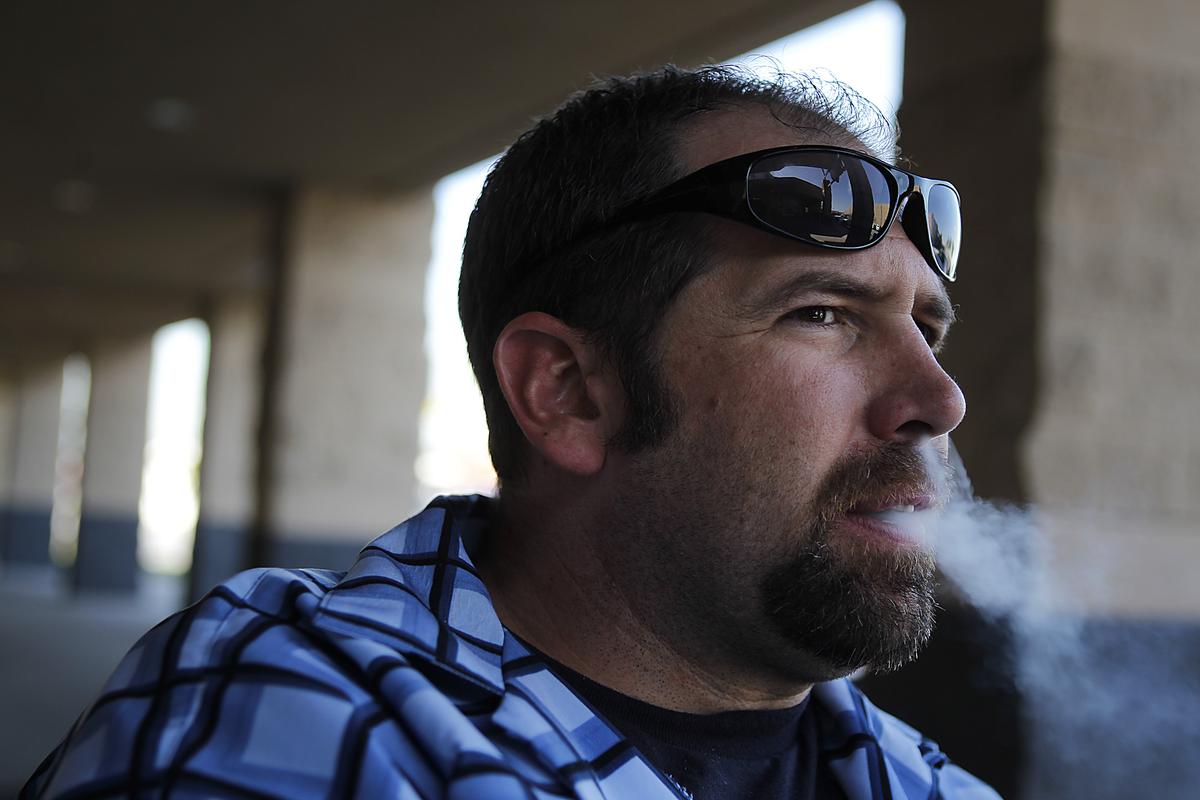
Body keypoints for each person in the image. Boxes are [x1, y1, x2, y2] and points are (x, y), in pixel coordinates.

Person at [23, 66, 1000, 800]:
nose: (938, 397)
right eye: (821, 313)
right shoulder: (289, 723)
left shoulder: (911, 774)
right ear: (567, 391)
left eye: (927, 326)